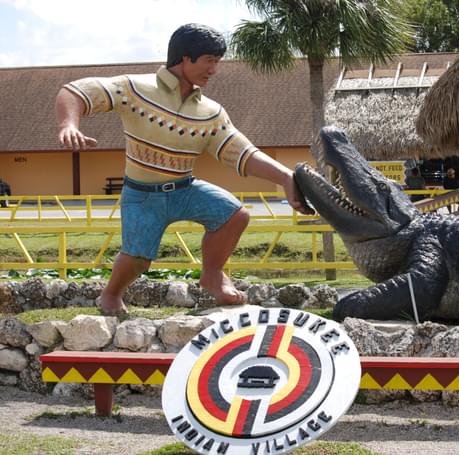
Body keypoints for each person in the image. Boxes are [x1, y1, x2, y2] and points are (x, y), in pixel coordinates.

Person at [55, 23, 314, 315]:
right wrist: (69, 124)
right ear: (185, 58)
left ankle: (213, 276)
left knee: (234, 215)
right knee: (138, 258)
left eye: (217, 61)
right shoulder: (134, 88)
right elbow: (75, 91)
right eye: (210, 61)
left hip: (185, 189)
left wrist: (286, 177)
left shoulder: (211, 112)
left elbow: (241, 152)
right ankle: (112, 294)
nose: (214, 69)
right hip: (142, 196)